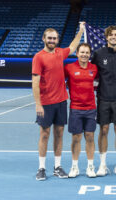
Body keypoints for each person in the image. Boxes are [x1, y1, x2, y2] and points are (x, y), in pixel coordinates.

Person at [32, 22, 85, 181]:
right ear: (44, 39)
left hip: (61, 101)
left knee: (59, 134)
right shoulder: (38, 57)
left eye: (54, 38)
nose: (52, 40)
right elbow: (35, 82)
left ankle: (57, 167)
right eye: (49, 38)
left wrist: (81, 30)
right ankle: (41, 168)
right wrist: (38, 103)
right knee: (44, 134)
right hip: (46, 103)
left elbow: (73, 46)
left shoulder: (60, 53)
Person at [91, 25, 116, 176]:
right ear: (106, 37)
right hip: (103, 99)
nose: (113, 37)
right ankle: (102, 165)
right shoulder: (98, 54)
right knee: (104, 130)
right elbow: (91, 73)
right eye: (110, 35)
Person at [64, 43, 98, 178]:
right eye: (82, 52)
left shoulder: (94, 68)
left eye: (87, 52)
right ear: (77, 54)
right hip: (75, 108)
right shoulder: (69, 68)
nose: (84, 55)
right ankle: (75, 167)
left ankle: (90, 166)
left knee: (90, 137)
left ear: (90, 55)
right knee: (76, 138)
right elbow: (59, 79)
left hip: (91, 108)